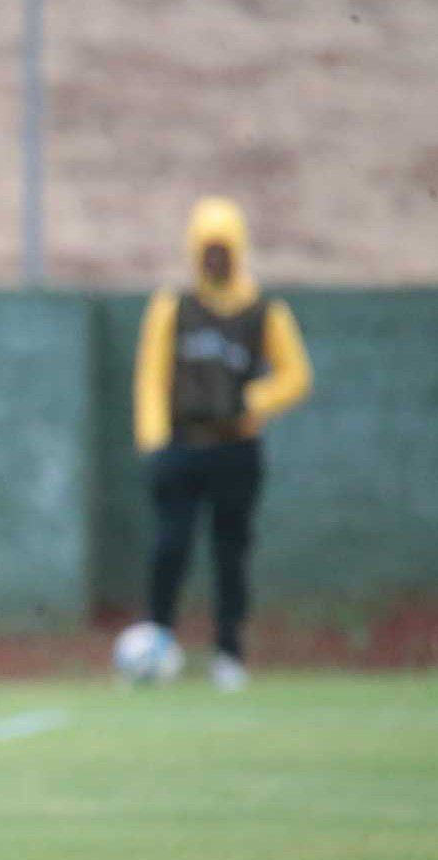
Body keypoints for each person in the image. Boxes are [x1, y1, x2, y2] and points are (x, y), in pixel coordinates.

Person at [133, 196, 312, 691]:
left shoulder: (264, 311)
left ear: (237, 250)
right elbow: (151, 376)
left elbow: (297, 375)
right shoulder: (173, 306)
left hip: (236, 448)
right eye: (207, 250)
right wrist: (153, 440)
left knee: (230, 553)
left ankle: (229, 653)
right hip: (182, 445)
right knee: (170, 548)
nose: (215, 259)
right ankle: (157, 646)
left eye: (223, 250)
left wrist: (256, 399)